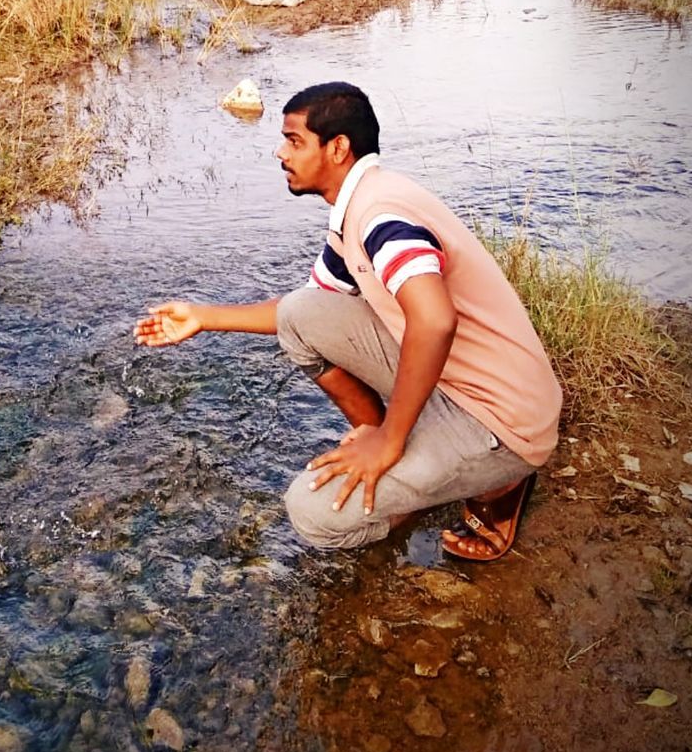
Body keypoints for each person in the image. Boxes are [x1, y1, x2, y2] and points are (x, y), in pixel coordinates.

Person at [133, 82, 561, 560]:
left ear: (337, 147)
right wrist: (203, 316)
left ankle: (495, 485)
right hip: (462, 385)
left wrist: (388, 440)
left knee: (313, 514)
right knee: (301, 313)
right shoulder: (358, 207)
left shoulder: (380, 216)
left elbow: (436, 321)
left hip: (502, 424)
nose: (280, 153)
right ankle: (401, 451)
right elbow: (308, 307)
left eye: (294, 141)